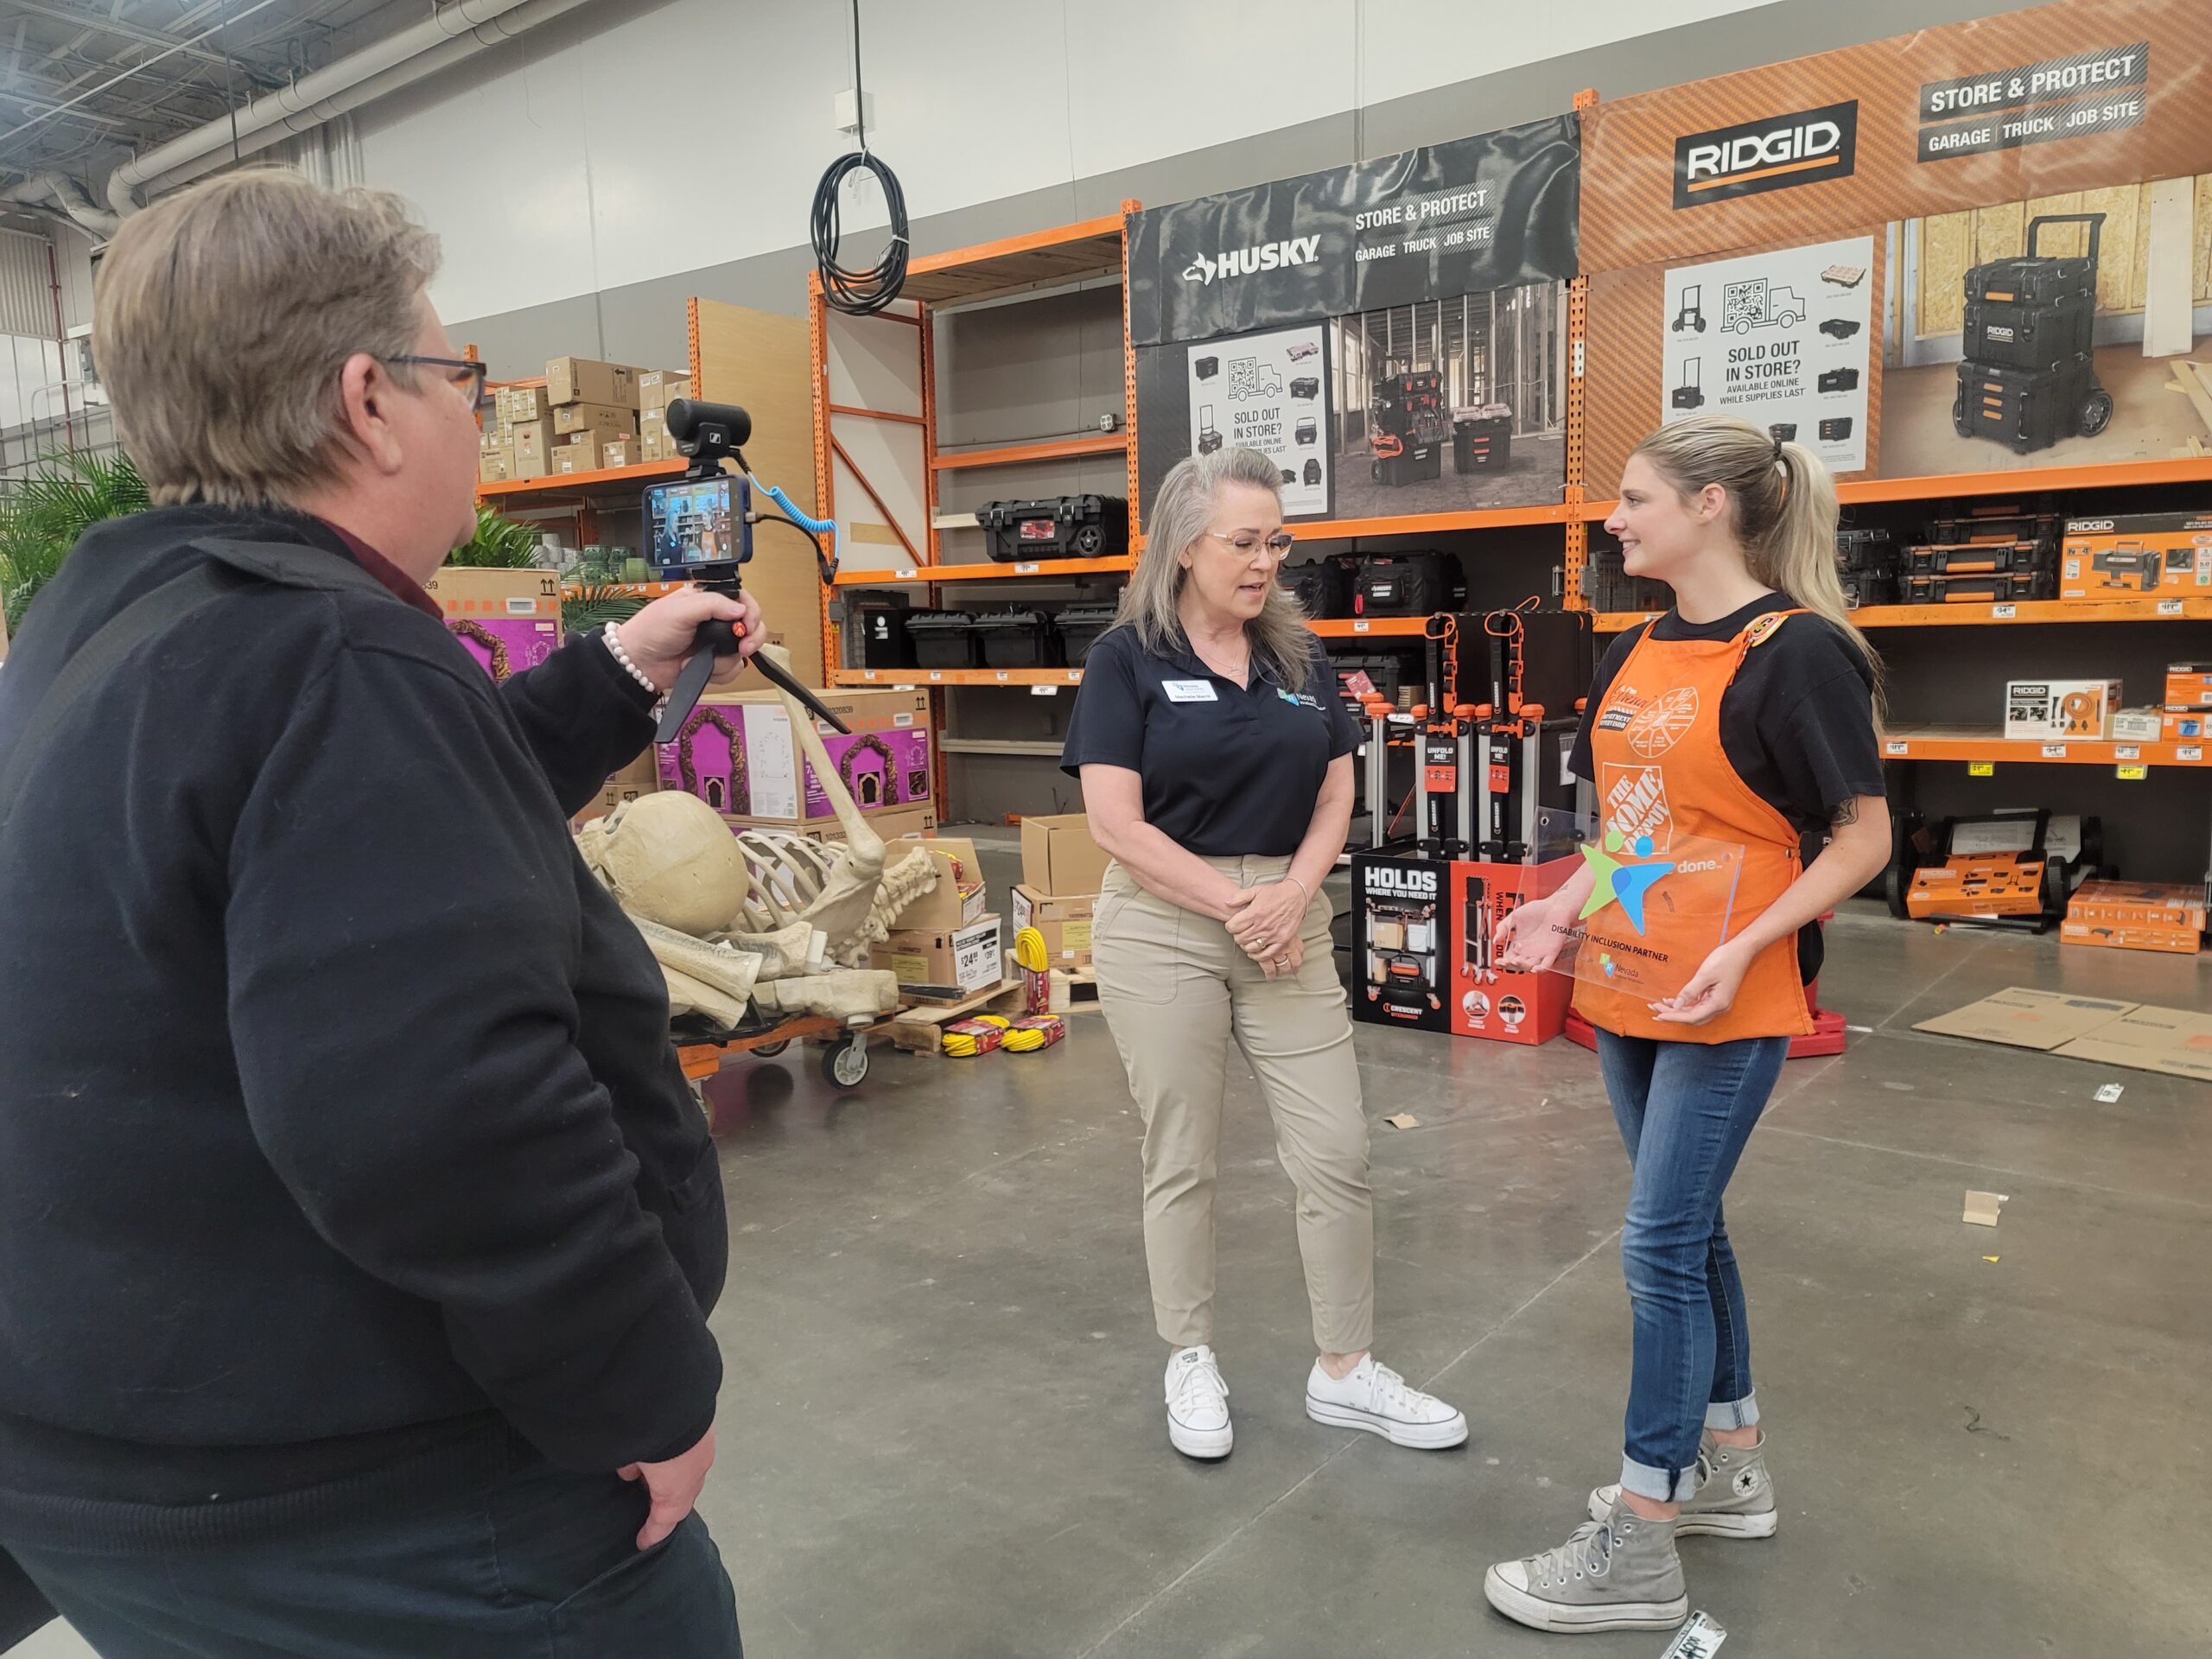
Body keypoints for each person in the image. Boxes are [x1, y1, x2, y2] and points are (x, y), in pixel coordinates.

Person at [0, 170, 761, 1656]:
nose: (473, 407)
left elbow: (353, 862)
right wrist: (640, 1391)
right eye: (460, 374)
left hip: (124, 1471)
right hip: (379, 1516)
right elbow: (436, 1117)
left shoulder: (108, 634)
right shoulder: (341, 663)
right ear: (370, 400)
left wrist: (614, 674)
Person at [1481, 414, 1891, 1634]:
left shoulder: (1802, 653)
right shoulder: (1640, 644)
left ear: (1712, 507)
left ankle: (1643, 1539)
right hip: (1630, 982)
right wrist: (1560, 907)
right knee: (1691, 1233)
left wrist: (1753, 946)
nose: (1614, 519)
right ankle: (1733, 1465)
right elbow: (1641, 830)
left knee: (1656, 1250)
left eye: (1633, 497)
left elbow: (1863, 838)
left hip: (1731, 995)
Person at [1063, 446, 1466, 1462]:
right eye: (1243, 542)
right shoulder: (1128, 659)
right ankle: (1189, 1354)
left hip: (1285, 916)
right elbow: (1115, 822)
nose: (1265, 562)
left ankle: (1345, 1369)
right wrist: (1238, 904)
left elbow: (1337, 792)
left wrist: (1290, 894)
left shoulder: (1301, 657)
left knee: (1337, 1150)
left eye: (1275, 542)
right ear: (1183, 544)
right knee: (1182, 1154)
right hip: (1165, 924)